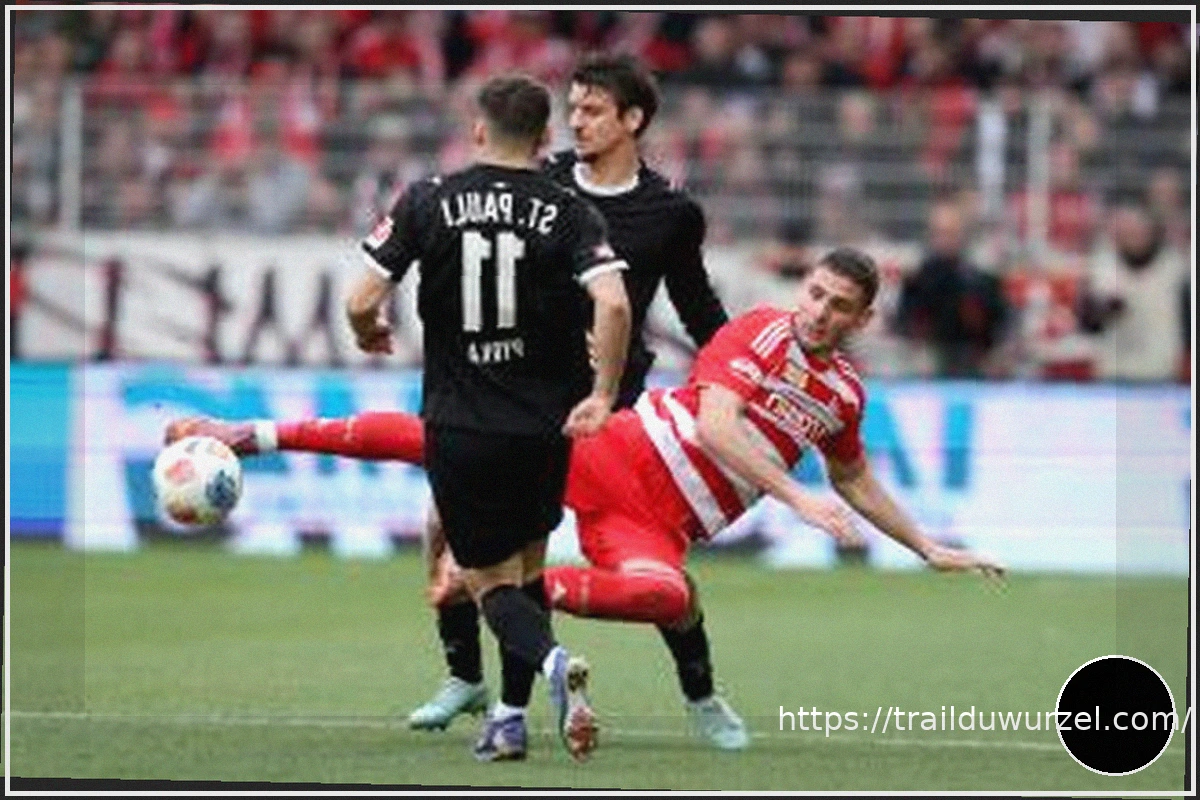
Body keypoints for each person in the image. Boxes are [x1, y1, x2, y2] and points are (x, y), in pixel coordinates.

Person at [167, 249, 1007, 752]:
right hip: (612, 453)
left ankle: (510, 591)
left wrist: (927, 546)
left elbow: (853, 477)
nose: (818, 312)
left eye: (838, 306)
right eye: (815, 294)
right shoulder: (758, 328)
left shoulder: (845, 393)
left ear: (863, 318)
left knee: (668, 595)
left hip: (655, 523)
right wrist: (794, 497)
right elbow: (718, 425)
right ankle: (253, 434)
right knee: (447, 435)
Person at [343, 73, 633, 762]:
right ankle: (508, 719)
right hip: (545, 425)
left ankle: (555, 663)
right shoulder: (568, 210)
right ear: (545, 138)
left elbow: (360, 299)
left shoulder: (426, 200)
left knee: (485, 583)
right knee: (528, 570)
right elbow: (615, 304)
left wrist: (366, 331)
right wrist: (602, 393)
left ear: (478, 130)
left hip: (462, 422)